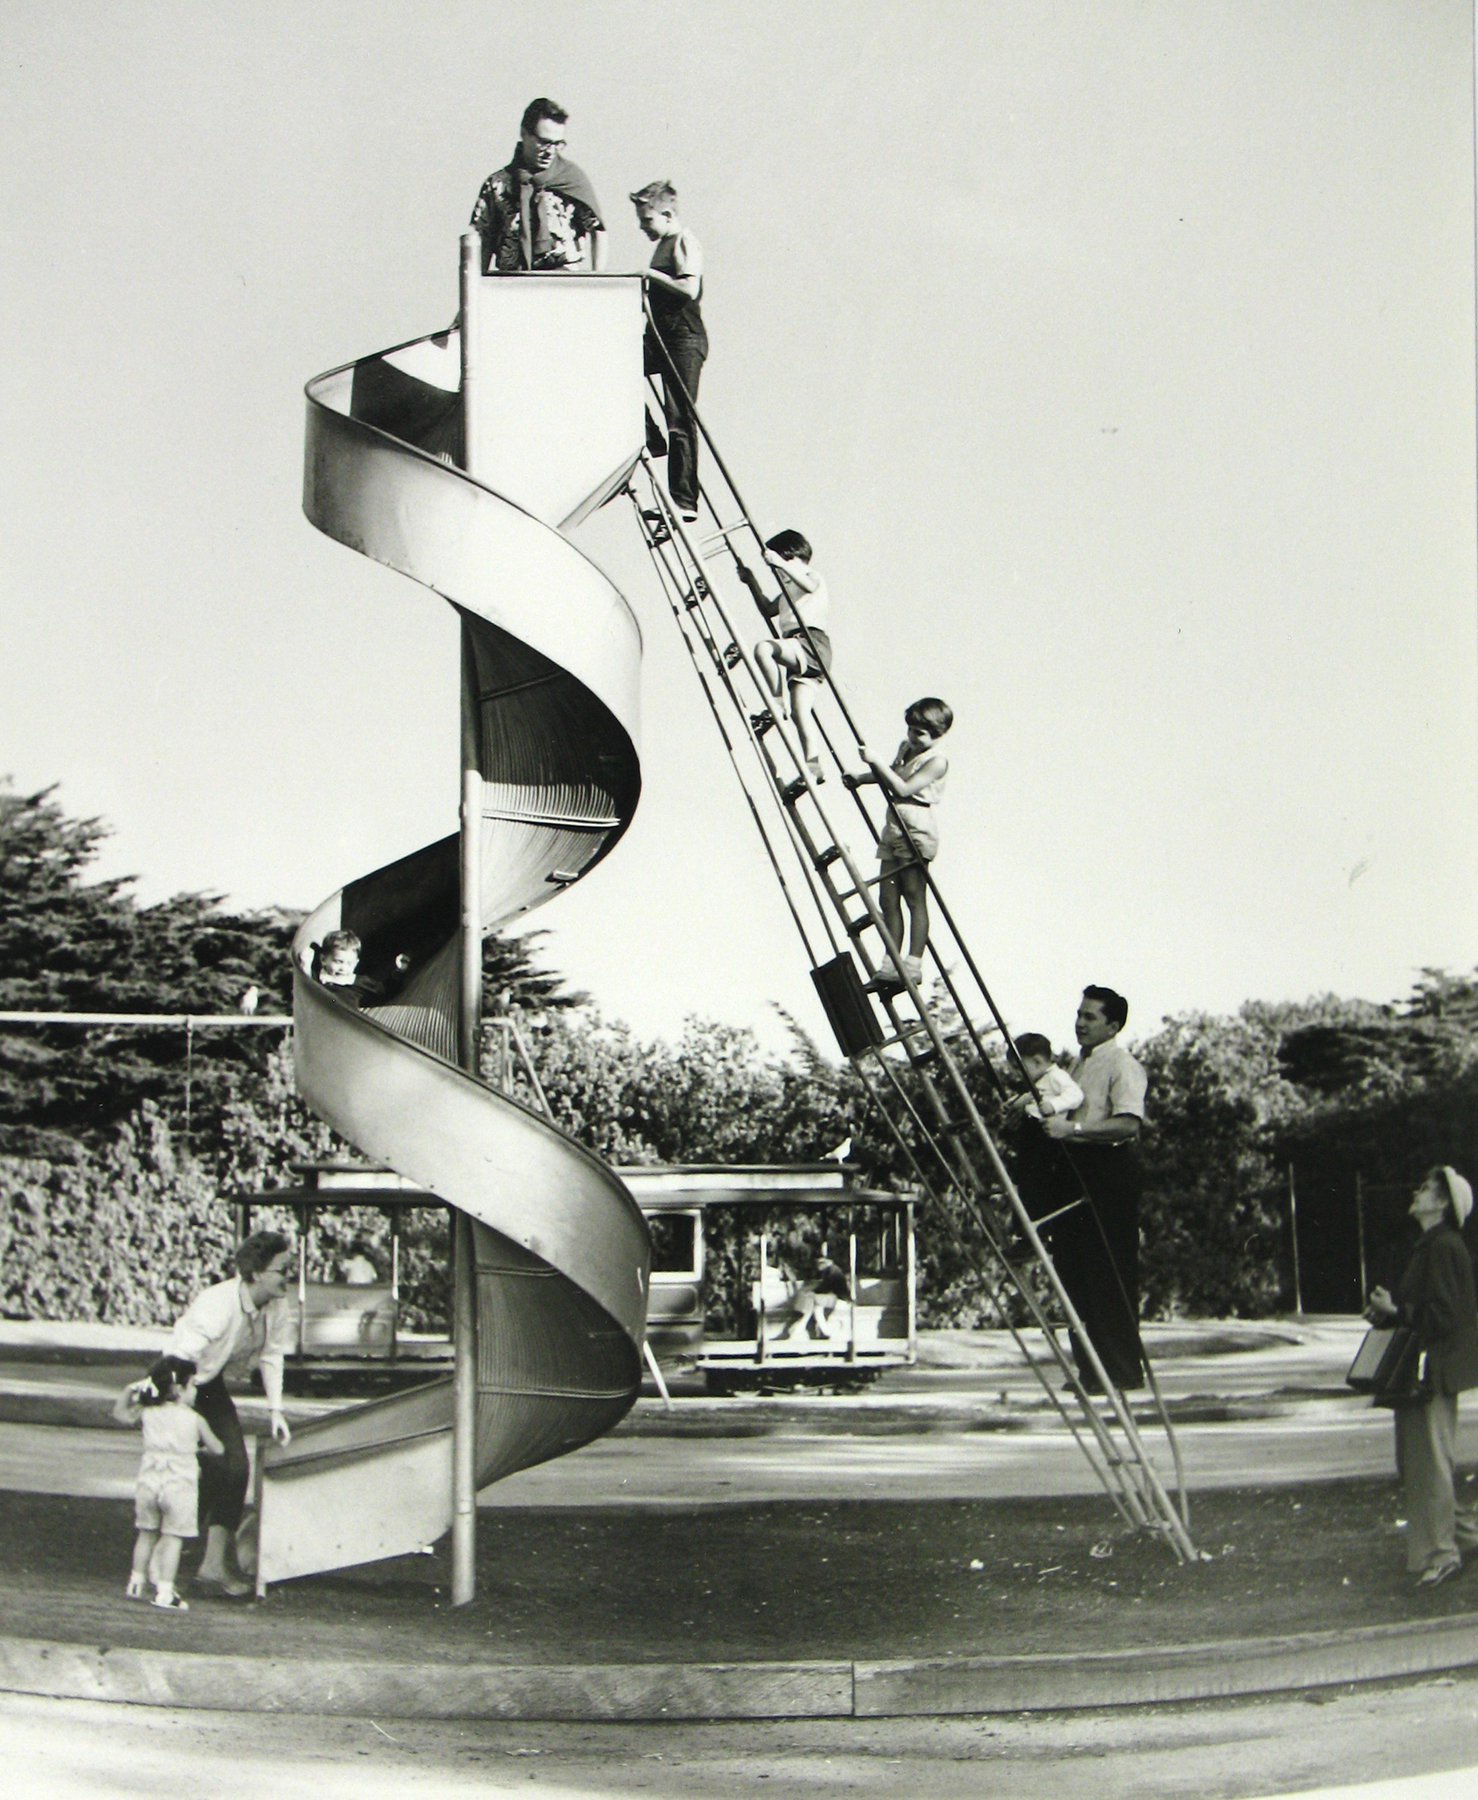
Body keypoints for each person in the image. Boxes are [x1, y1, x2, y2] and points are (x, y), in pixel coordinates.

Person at [1365, 1167, 1478, 1587]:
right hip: (1421, 1372)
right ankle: (1464, 1537)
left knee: (1428, 1465)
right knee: (1419, 1464)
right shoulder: (1430, 1246)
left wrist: (1398, 1311)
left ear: (1444, 1203)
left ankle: (1442, 1555)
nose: (1418, 1191)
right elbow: (1427, 1310)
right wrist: (1389, 1311)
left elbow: (1447, 1316)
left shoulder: (1445, 1246)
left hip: (1432, 1373)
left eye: (1427, 1188)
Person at [167, 1230, 296, 1596]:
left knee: (235, 1467)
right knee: (189, 1468)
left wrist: (276, 1411)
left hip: (207, 1384)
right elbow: (182, 1356)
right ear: (256, 1273)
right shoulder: (218, 1303)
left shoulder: (277, 1305)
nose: (289, 1276)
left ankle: (211, 1568)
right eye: (282, 1269)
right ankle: (161, 1558)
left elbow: (272, 1355)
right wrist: (178, 1405)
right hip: (178, 1380)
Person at [1039, 987, 1148, 1393]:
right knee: (1074, 1273)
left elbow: (1128, 1124)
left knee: (1108, 1273)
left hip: (1108, 1172)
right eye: (1079, 1014)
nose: (1080, 1023)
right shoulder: (1075, 1065)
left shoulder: (1123, 1065)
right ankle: (1092, 1372)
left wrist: (1075, 1129)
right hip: (1075, 1169)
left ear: (1113, 1026)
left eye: (1091, 1017)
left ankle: (1121, 1371)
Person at [847, 698, 953, 993]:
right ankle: (890, 965)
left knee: (914, 896)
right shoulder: (906, 748)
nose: (912, 737)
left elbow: (904, 786)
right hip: (895, 823)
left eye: (920, 733)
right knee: (887, 897)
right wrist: (863, 777)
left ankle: (913, 964)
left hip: (917, 826)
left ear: (937, 734)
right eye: (911, 730)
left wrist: (875, 761)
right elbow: (894, 773)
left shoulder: (937, 761)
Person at [113, 1356, 224, 1611]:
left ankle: (136, 1582)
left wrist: (130, 1390)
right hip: (179, 1485)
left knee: (146, 1533)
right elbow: (217, 1448)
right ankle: (165, 1591)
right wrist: (200, 1449)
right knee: (173, 1538)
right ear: (178, 1389)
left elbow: (120, 1414)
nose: (196, 1390)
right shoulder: (194, 1419)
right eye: (193, 1385)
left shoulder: (148, 1412)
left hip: (149, 1481)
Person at [632, 181, 707, 523]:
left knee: (679, 417)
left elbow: (688, 288)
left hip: (682, 338)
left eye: (646, 219)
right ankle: (651, 437)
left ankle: (684, 499)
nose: (642, 226)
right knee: (618, 367)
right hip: (661, 337)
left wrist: (649, 275)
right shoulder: (664, 243)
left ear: (667, 214)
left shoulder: (683, 241)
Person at [471, 98, 605, 274]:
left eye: (557, 144)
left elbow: (598, 231)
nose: (550, 151)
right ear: (524, 134)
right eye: (544, 142)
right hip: (512, 284)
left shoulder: (573, 179)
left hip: (564, 284)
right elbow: (482, 240)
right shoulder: (498, 184)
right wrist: (477, 289)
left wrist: (598, 280)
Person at [752, 531, 833, 784]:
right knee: (800, 712)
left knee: (763, 648)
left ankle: (776, 701)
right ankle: (814, 763)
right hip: (799, 650)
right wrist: (751, 581)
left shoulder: (810, 576)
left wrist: (779, 563)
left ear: (790, 556)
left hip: (809, 642)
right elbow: (768, 608)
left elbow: (809, 585)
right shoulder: (790, 587)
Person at [1007, 1034, 1085, 1121]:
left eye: (1018, 1068)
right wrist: (1011, 1104)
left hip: (1045, 1127)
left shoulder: (1056, 1075)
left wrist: (1053, 1105)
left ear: (1037, 1062)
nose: (1015, 1073)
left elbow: (1075, 1094)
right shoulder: (1036, 1079)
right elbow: (1026, 1096)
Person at [783, 1255, 852, 1341]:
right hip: (833, 1297)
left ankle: (802, 1325)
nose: (818, 1266)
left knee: (813, 1299)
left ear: (827, 1262)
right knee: (817, 1306)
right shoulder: (828, 1270)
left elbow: (825, 1287)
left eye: (820, 1263)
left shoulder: (834, 1271)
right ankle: (824, 1330)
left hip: (840, 1299)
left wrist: (813, 1292)